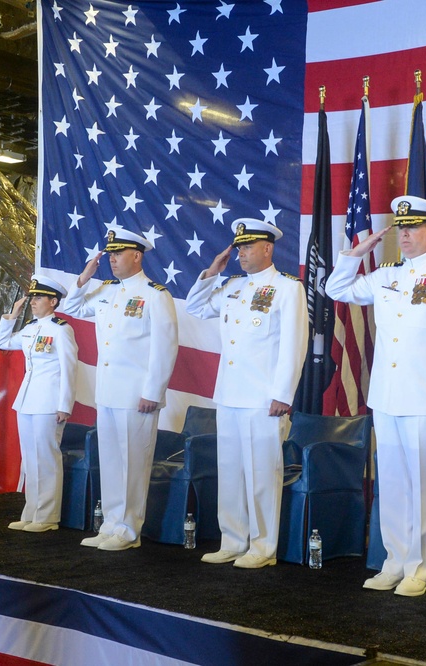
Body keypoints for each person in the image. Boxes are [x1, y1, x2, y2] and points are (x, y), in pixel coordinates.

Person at [326, 195, 426, 597]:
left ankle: (420, 568)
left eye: (413, 228)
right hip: (387, 396)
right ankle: (394, 560)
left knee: (424, 484)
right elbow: (336, 289)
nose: (405, 235)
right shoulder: (386, 275)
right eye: (401, 228)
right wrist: (355, 254)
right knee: (392, 484)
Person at [184, 218, 307, 569]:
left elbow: (293, 346)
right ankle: (233, 539)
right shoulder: (232, 286)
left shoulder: (286, 288)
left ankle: (263, 546)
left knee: (262, 472)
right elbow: (195, 307)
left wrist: (283, 394)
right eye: (239, 247)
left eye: (248, 246)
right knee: (231, 470)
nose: (241, 252)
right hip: (230, 394)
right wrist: (212, 271)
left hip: (263, 397)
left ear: (268, 248)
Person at [61, 227, 179, 551]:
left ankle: (129, 531)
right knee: (112, 462)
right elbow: (72, 307)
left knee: (133, 464)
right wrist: (83, 278)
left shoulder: (156, 295)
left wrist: (152, 392)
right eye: (110, 253)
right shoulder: (106, 290)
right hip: (108, 392)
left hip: (136, 395)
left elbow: (165, 348)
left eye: (118, 253)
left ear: (137, 255)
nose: (112, 259)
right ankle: (111, 523)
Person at [0, 275, 78, 533]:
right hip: (28, 401)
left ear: (53, 301)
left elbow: (69, 369)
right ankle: (31, 512)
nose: (32, 301)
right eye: (32, 296)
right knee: (30, 460)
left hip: (49, 403)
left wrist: (64, 404)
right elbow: (2, 343)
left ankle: (48, 517)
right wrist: (11, 316)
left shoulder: (61, 329)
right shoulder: (31, 328)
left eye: (38, 297)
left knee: (46, 458)